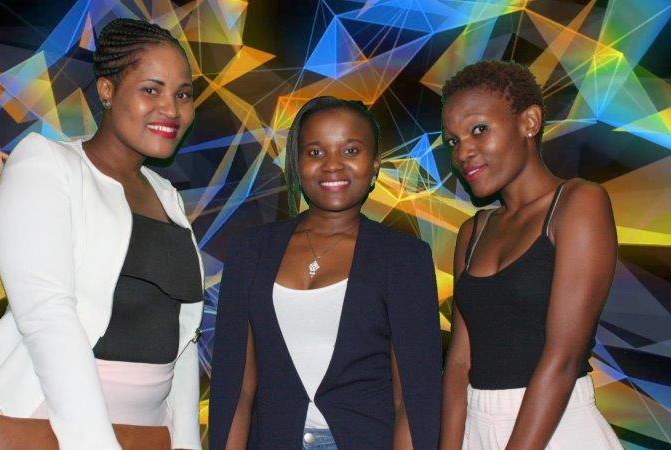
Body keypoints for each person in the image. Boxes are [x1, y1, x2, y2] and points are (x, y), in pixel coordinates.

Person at [0, 18, 203, 450]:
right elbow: (47, 317)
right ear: (107, 90)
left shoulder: (167, 196)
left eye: (183, 94)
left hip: (145, 431)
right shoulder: (47, 165)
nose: (171, 108)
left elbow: (182, 339)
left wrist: (184, 442)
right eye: (152, 90)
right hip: (40, 423)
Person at [209, 96, 442, 449]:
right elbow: (235, 389)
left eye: (350, 151)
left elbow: (413, 400)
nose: (332, 165)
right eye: (315, 152)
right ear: (297, 162)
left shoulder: (405, 258)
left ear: (374, 164)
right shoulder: (249, 251)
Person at [439, 60, 622, 449]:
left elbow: (562, 358)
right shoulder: (473, 231)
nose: (464, 152)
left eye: (479, 129)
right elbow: (459, 363)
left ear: (530, 122)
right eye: (453, 141)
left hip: (555, 428)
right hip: (476, 428)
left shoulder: (578, 203)